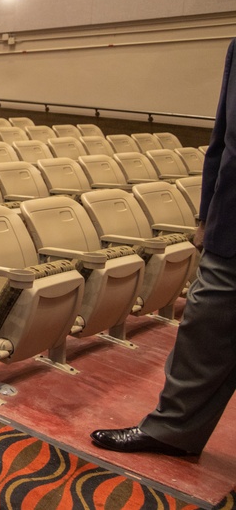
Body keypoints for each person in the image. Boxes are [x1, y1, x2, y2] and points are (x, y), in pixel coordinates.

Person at [91, 37, 236, 458]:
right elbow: (222, 141)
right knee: (201, 334)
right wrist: (206, 216)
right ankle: (174, 430)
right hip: (231, 225)